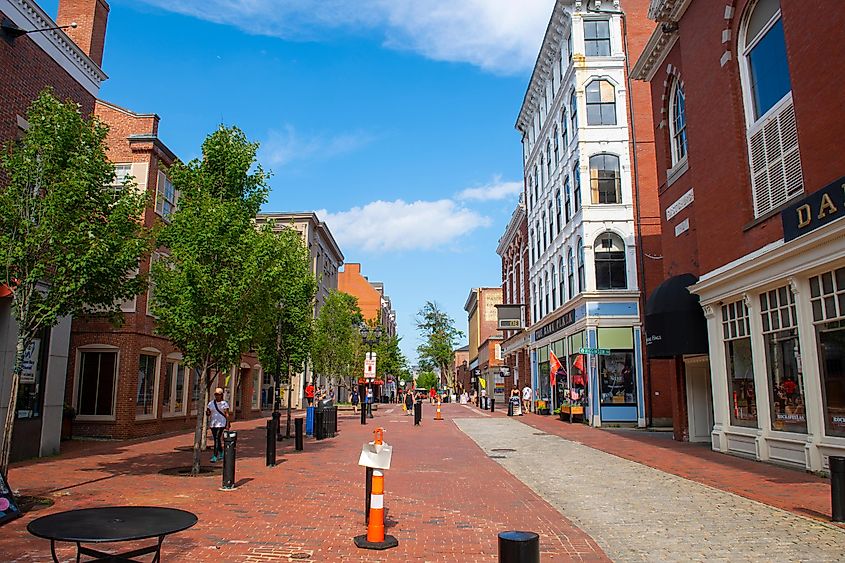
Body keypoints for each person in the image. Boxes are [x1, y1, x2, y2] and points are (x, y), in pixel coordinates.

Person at [206, 387, 229, 463]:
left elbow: (226, 414)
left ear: (221, 395)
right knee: (217, 439)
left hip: (221, 423)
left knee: (216, 438)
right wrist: (208, 413)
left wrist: (227, 423)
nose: (217, 396)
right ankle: (221, 452)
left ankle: (215, 456)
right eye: (216, 394)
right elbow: (208, 412)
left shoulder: (224, 404)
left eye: (218, 394)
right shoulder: (211, 403)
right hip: (213, 423)